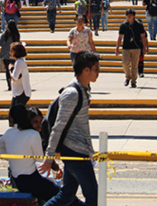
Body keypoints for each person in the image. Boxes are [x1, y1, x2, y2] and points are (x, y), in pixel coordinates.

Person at [39, 52, 101, 206]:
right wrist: (49, 156)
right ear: (86, 70)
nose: (98, 72)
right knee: (93, 196)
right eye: (96, 69)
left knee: (67, 194)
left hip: (77, 151)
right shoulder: (72, 93)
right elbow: (58, 127)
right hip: (75, 152)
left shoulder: (83, 90)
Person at [0, 104, 61, 205]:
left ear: (12, 120)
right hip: (32, 179)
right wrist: (52, 181)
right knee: (62, 196)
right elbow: (40, 162)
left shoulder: (9, 133)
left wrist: (12, 159)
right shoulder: (32, 134)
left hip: (18, 180)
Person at [115, 9, 149, 88]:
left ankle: (133, 81)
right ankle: (128, 77)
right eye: (127, 15)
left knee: (135, 65)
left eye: (130, 15)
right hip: (126, 47)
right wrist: (117, 48)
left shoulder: (139, 25)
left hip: (136, 47)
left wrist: (145, 47)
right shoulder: (123, 25)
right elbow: (120, 37)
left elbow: (143, 36)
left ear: (134, 16)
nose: (129, 16)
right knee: (125, 63)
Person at [0, 20, 20, 91]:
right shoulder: (16, 34)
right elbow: (18, 43)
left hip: (5, 54)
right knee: (14, 69)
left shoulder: (5, 34)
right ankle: (14, 82)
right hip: (14, 54)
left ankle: (9, 83)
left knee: (7, 70)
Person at [9, 43, 31, 109]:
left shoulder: (19, 62)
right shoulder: (20, 61)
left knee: (14, 115)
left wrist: (10, 69)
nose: (10, 53)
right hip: (19, 93)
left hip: (21, 93)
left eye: (12, 51)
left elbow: (15, 78)